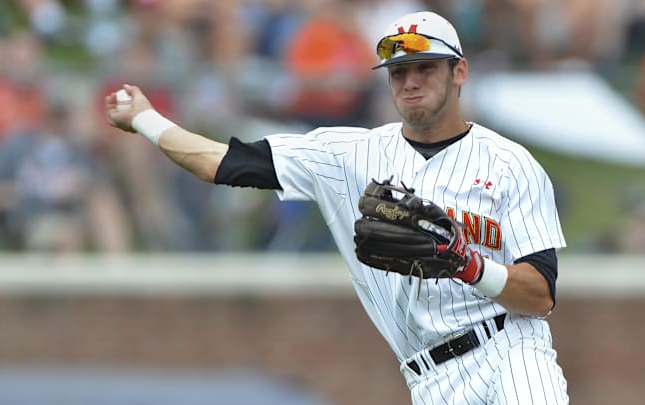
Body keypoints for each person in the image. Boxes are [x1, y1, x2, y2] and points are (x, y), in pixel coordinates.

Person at [106, 11, 569, 404]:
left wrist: (466, 265)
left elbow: (540, 294)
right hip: (429, 379)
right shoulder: (345, 155)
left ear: (459, 72)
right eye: (398, 72)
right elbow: (220, 163)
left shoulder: (511, 165)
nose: (410, 82)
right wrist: (145, 119)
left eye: (424, 68)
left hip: (510, 352)